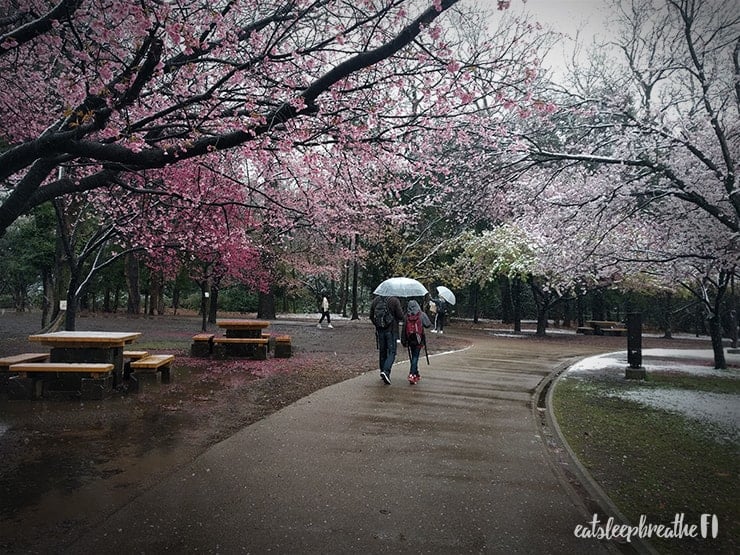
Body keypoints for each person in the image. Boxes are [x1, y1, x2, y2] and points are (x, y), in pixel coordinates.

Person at [369, 294, 405, 384]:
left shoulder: (376, 300)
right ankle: (386, 371)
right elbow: (400, 316)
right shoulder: (394, 300)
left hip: (380, 331)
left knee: (383, 351)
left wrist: (378, 324)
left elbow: (371, 316)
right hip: (392, 330)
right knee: (392, 352)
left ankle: (382, 370)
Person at [401, 300, 431, 384]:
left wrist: (404, 341)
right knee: (415, 356)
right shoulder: (421, 314)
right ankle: (411, 374)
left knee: (414, 356)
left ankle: (416, 373)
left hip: (410, 339)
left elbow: (404, 329)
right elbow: (428, 324)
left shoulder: (406, 316)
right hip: (419, 339)